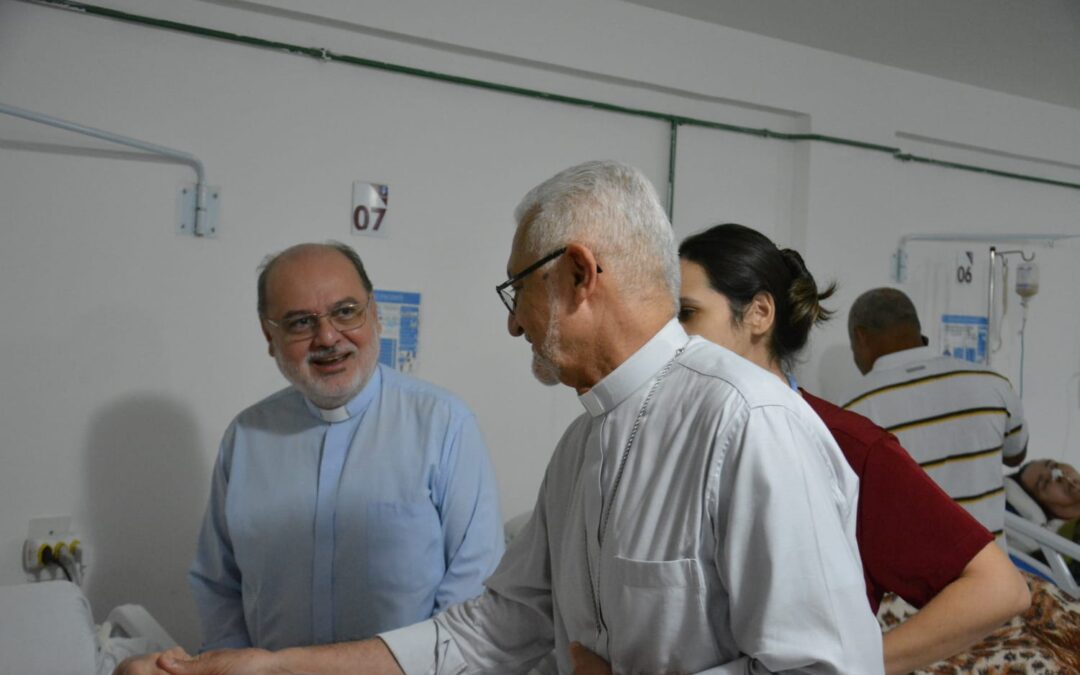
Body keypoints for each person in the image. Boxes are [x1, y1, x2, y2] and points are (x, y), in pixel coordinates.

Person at [117, 161, 883, 675]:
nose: (514, 323)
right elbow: (492, 626)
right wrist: (273, 665)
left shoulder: (749, 424)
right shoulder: (585, 444)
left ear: (581, 274)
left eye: (519, 288)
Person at [677, 223, 1030, 675]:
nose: (674, 339)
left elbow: (998, 588)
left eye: (688, 314)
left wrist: (862, 665)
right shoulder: (677, 435)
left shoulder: (846, 444)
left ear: (759, 314)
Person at [186, 242, 505, 651]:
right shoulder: (247, 438)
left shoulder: (444, 425)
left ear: (374, 313)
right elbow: (218, 585)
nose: (328, 337)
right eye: (300, 322)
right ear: (270, 335)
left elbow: (472, 592)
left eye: (345, 312)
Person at [844, 287, 1028, 542]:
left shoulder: (853, 408)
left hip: (915, 574)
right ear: (916, 327)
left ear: (860, 336)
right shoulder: (991, 383)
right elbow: (1015, 454)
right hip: (992, 570)